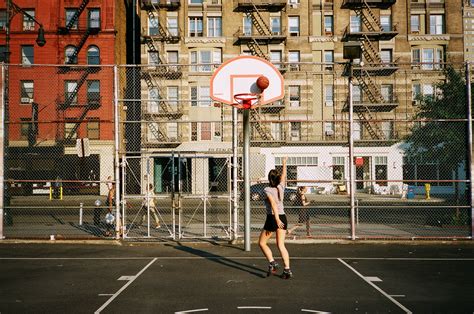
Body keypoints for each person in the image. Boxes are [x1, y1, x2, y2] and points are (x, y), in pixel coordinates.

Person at [258, 157, 293, 279]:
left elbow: (273, 204)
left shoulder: (267, 189)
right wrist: (284, 163)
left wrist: (276, 219)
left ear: (269, 179)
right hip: (283, 217)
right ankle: (287, 270)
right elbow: (284, 176)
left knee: (262, 243)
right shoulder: (281, 187)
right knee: (281, 245)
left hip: (273, 218)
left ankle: (272, 263)